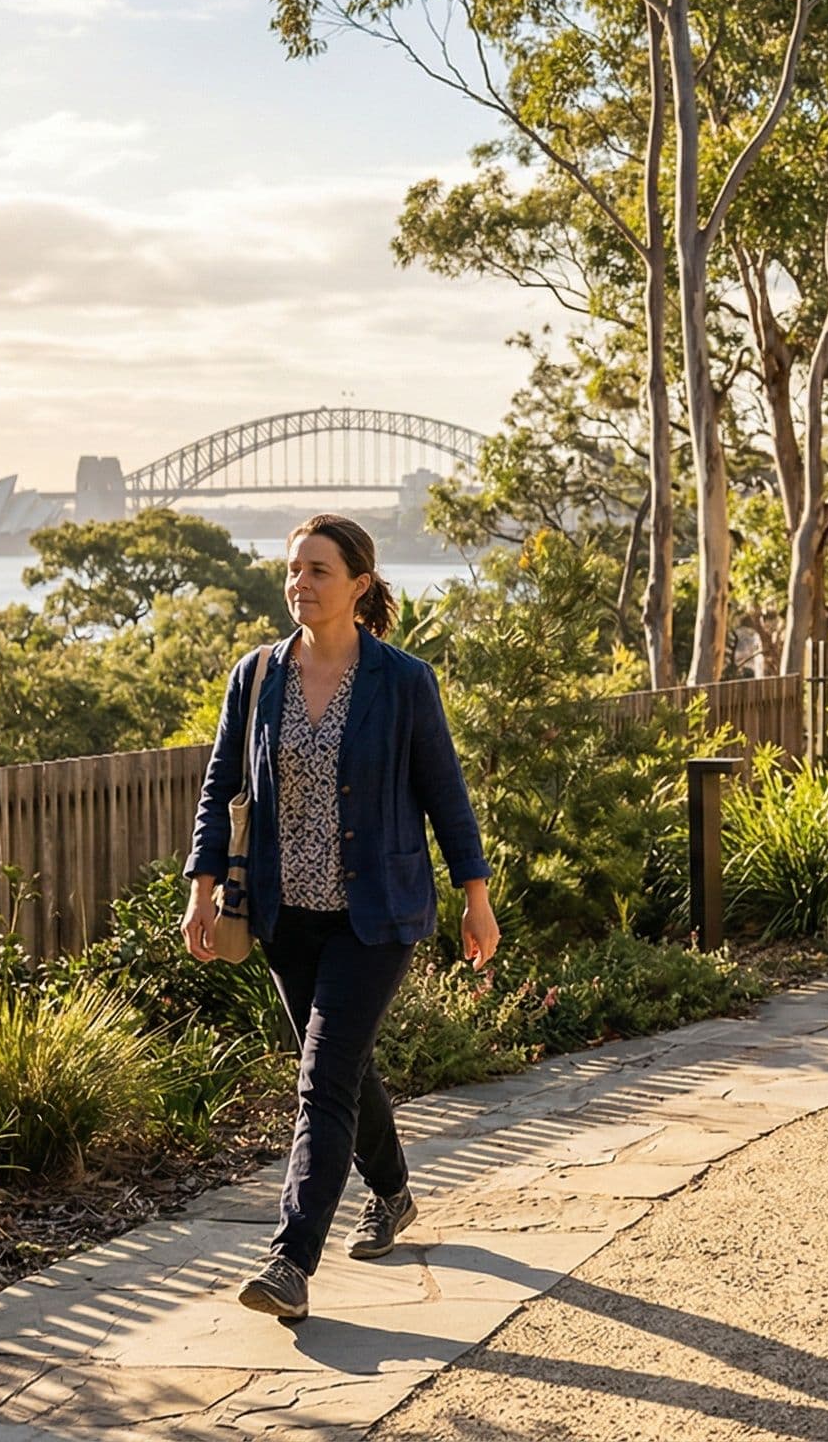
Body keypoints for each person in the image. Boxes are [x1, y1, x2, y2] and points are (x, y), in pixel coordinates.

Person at [180, 513, 499, 1322]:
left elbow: (445, 797)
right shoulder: (256, 677)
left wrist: (476, 899)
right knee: (342, 1069)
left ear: (359, 585)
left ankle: (290, 1261)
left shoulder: (403, 681)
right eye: (293, 569)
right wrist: (202, 890)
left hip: (377, 914)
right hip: (287, 916)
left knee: (322, 1079)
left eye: (319, 570)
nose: (300, 584)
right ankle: (391, 1193)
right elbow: (223, 790)